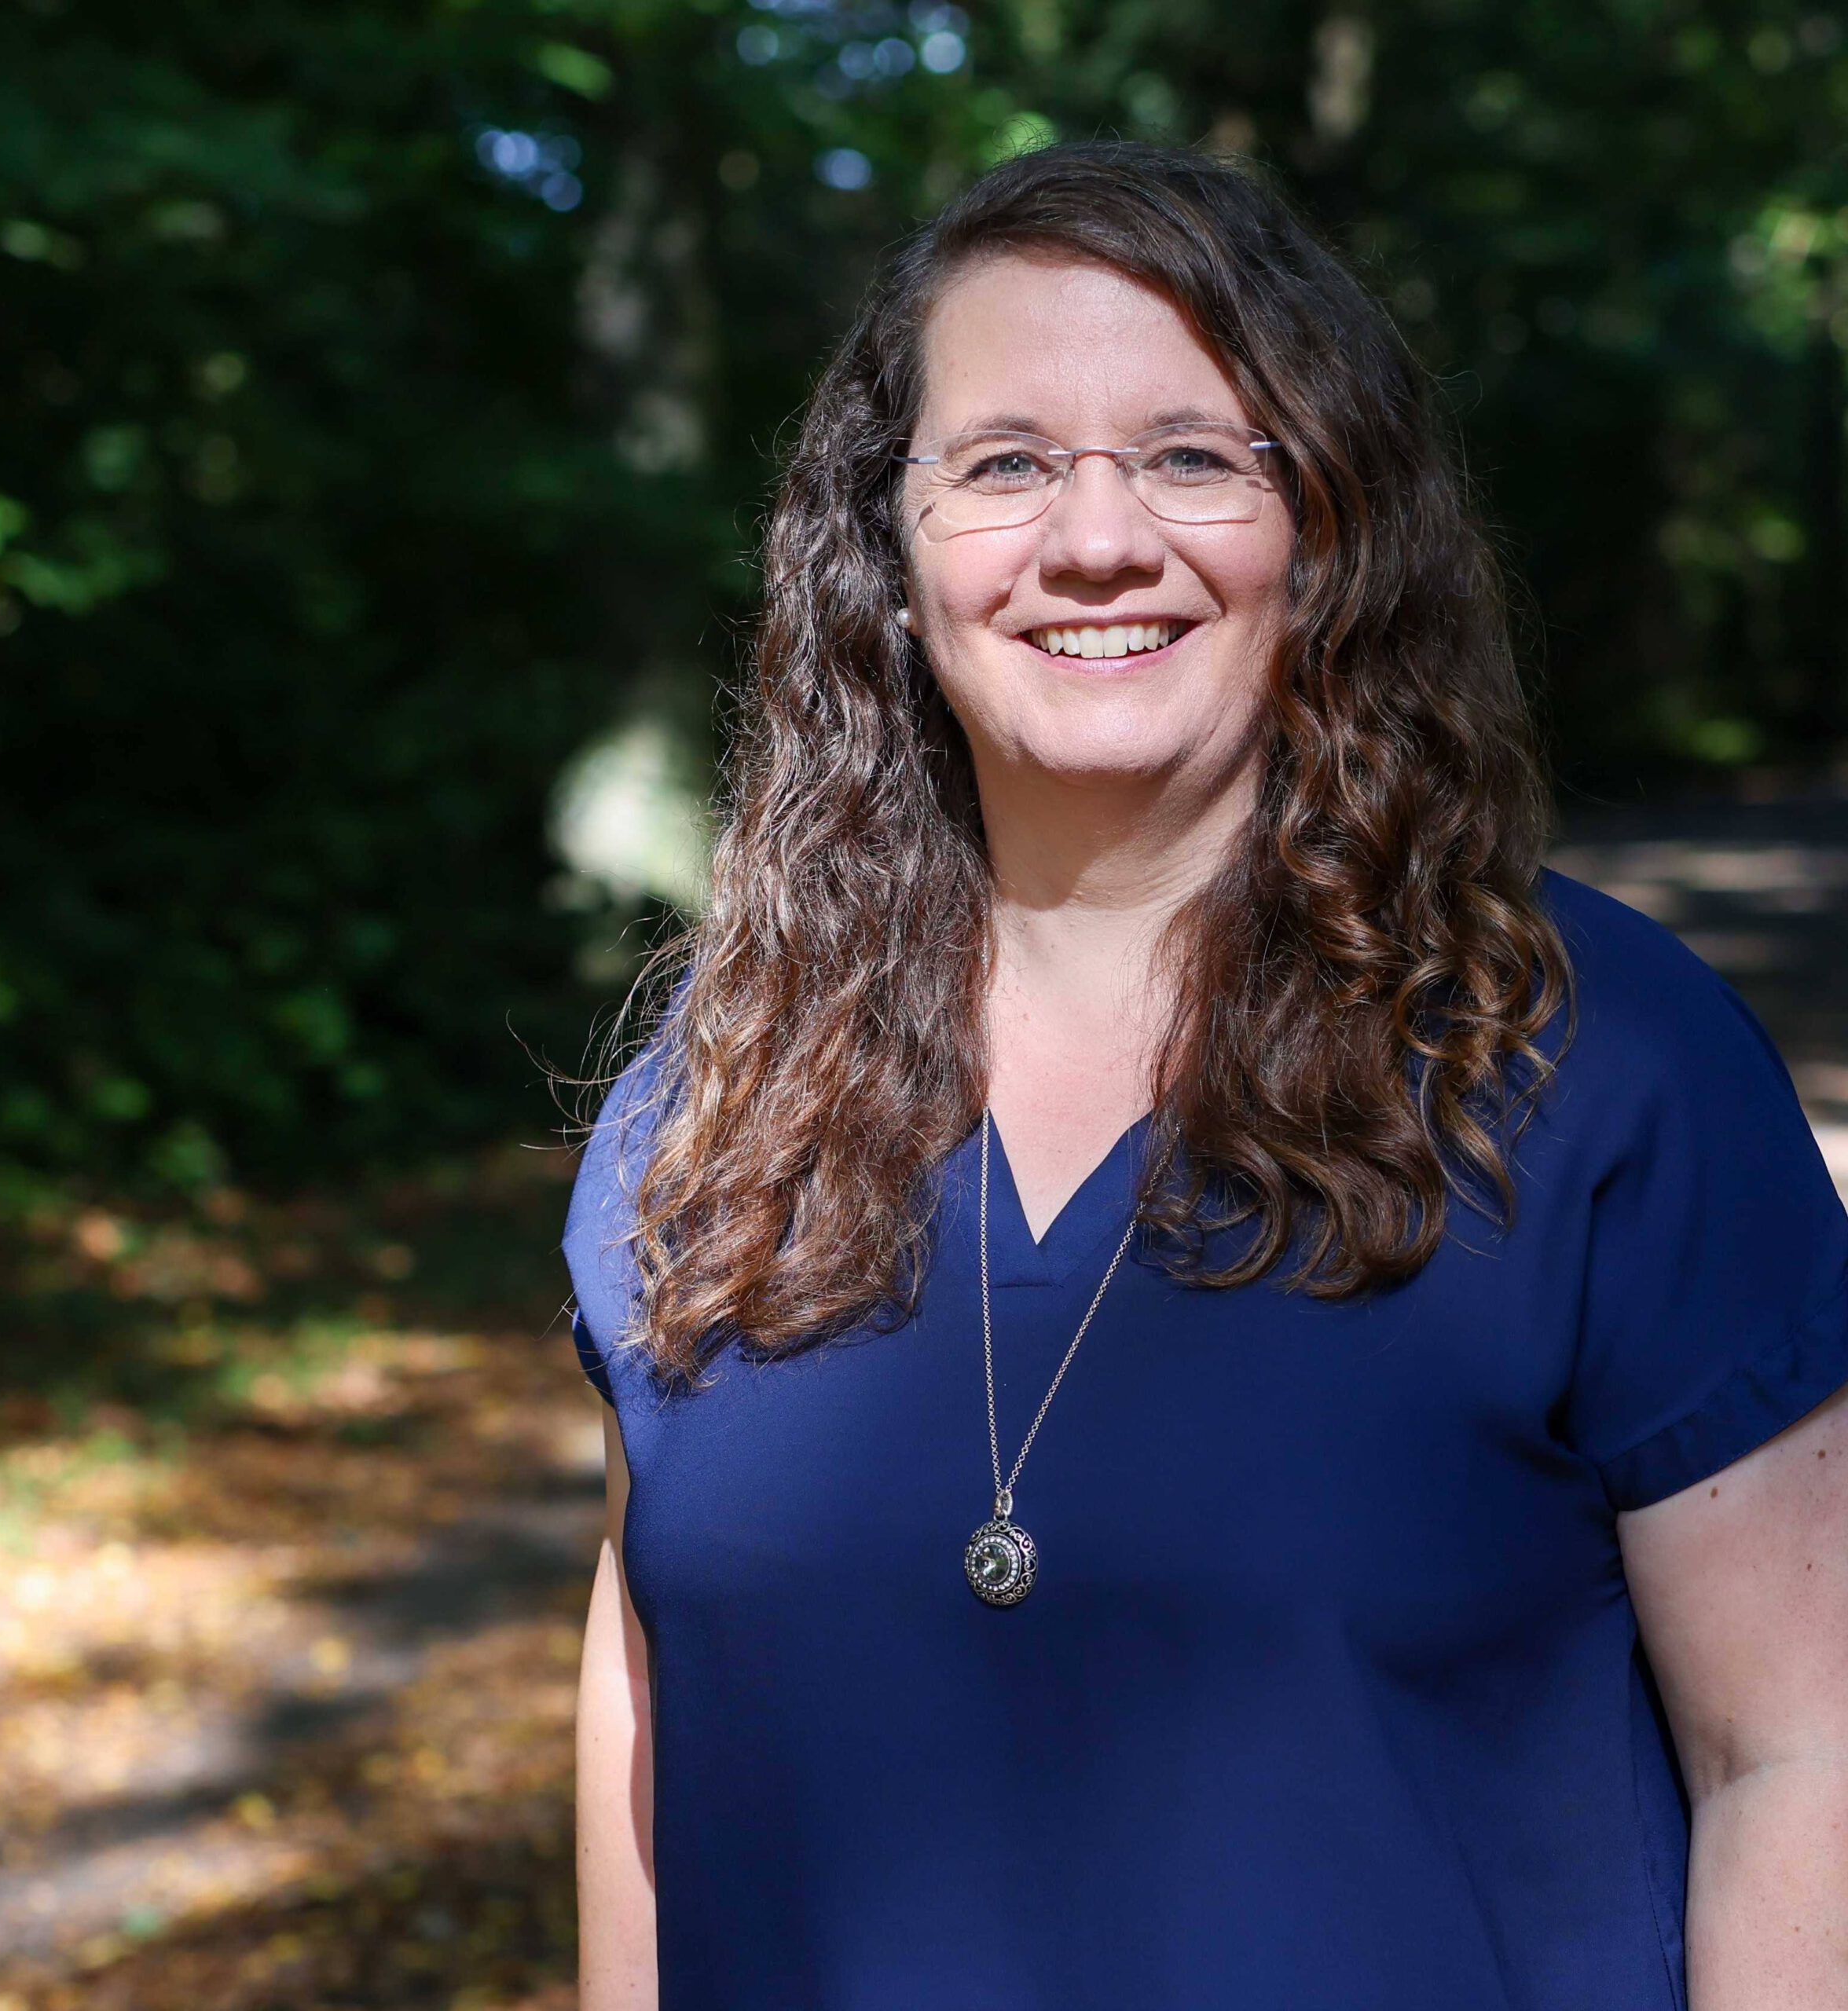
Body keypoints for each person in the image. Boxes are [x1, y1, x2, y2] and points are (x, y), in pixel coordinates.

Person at [565, 139, 1848, 2010]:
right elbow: (649, 1683)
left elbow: (1795, 1752)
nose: (1095, 538)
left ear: (1324, 524)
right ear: (885, 548)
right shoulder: (710, 1099)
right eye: (1003, 462)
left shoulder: (1597, 1069)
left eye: (1188, 454)